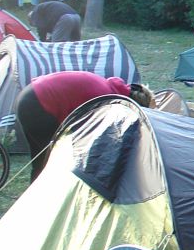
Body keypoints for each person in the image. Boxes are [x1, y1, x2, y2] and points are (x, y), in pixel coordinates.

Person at [14, 71, 155, 180]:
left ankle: (37, 197)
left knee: (42, 161)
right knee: (49, 161)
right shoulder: (105, 98)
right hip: (38, 104)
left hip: (30, 95)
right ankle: (42, 202)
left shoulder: (106, 87)